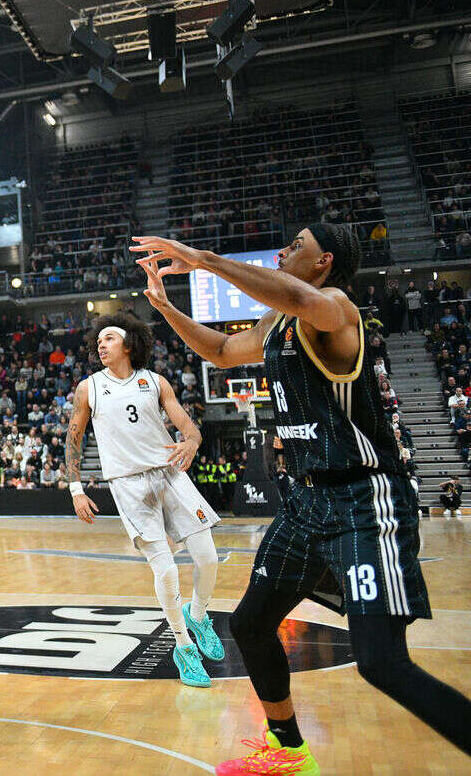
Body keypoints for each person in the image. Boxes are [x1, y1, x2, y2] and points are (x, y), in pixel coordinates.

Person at [133, 225, 471, 771]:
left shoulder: (336, 309)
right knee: (248, 624)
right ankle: (290, 752)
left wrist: (203, 259)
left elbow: (297, 296)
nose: (283, 251)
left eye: (296, 246)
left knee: (382, 663)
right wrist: (166, 308)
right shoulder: (276, 322)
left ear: (324, 261)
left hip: (364, 499)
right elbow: (220, 351)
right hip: (306, 502)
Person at [64, 313, 221, 687]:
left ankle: (198, 615)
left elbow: (187, 423)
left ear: (129, 344)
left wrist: (193, 442)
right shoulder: (89, 388)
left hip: (170, 474)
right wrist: (76, 489)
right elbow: (73, 438)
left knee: (209, 558)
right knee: (165, 571)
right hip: (129, 485)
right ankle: (183, 646)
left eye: (110, 338)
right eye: (98, 340)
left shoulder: (154, 381)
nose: (101, 345)